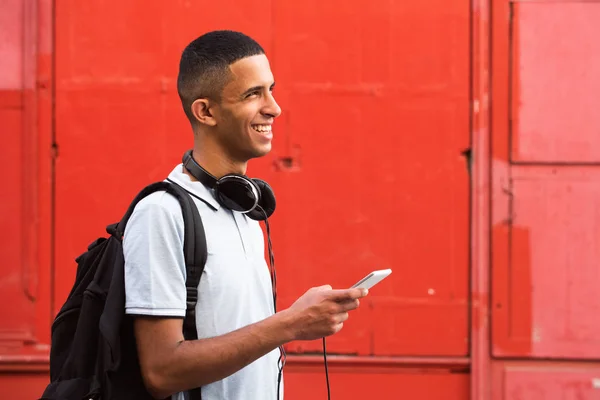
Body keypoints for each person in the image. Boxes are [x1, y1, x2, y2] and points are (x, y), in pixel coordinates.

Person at [122, 30, 368, 400]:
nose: (274, 107)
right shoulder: (162, 213)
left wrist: (292, 322)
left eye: (271, 89)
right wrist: (291, 323)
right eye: (254, 94)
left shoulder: (245, 210)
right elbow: (162, 371)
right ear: (205, 111)